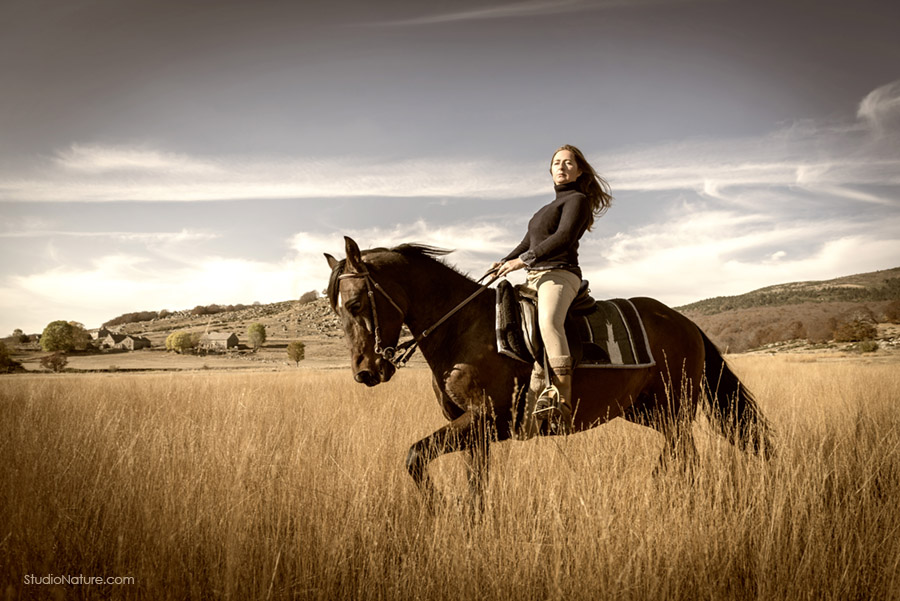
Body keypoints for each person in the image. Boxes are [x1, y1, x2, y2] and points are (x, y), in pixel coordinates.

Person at [491, 144, 612, 429]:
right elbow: (527, 244)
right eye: (557, 163)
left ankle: (561, 398)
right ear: (550, 170)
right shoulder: (542, 211)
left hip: (559, 275)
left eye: (569, 163)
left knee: (548, 321)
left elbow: (563, 237)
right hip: (534, 277)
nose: (561, 167)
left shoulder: (578, 200)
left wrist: (523, 261)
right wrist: (504, 262)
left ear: (579, 170)